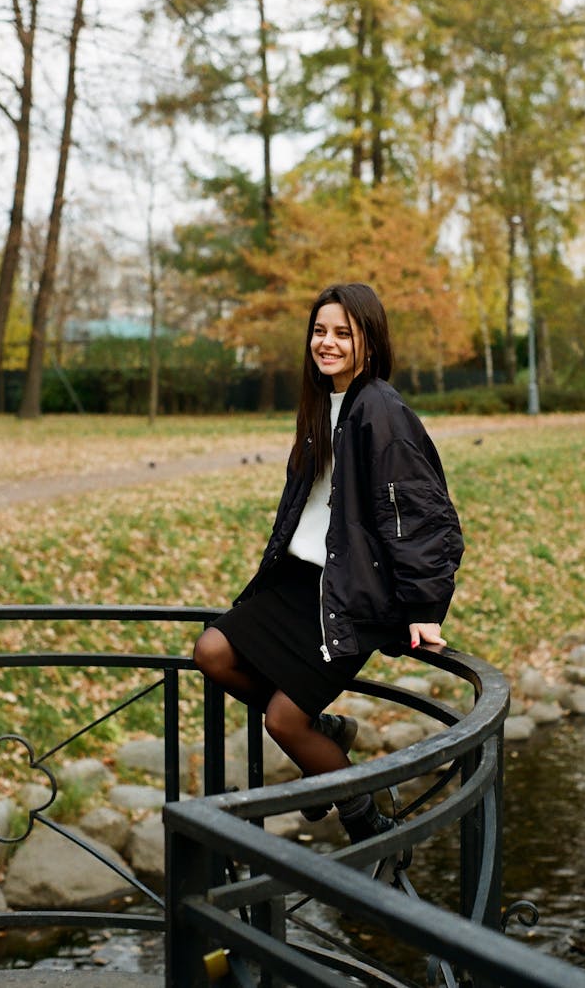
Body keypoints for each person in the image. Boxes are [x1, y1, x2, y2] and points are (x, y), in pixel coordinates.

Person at [193, 282, 464, 844]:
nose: (328, 342)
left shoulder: (381, 409)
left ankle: (367, 818)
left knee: (281, 720)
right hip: (295, 581)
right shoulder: (322, 402)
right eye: (320, 331)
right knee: (211, 651)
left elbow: (422, 513)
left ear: (370, 340)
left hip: (346, 593)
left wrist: (425, 606)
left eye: (343, 333)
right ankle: (328, 736)